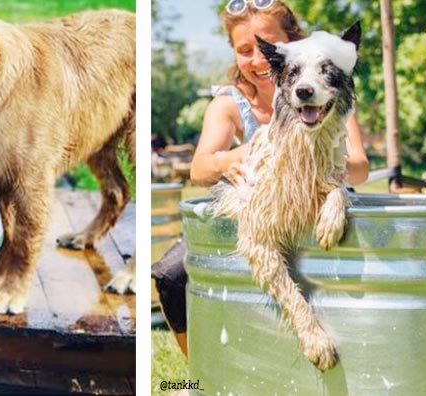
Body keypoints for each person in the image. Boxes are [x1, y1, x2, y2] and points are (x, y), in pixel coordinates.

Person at [152, 0, 370, 360]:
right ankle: (199, 372)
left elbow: (359, 165)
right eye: (244, 50)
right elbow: (199, 169)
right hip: (259, 202)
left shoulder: (332, 90)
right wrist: (232, 159)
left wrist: (329, 179)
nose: (257, 60)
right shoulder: (229, 103)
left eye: (264, 46)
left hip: (321, 196)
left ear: (290, 43)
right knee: (171, 275)